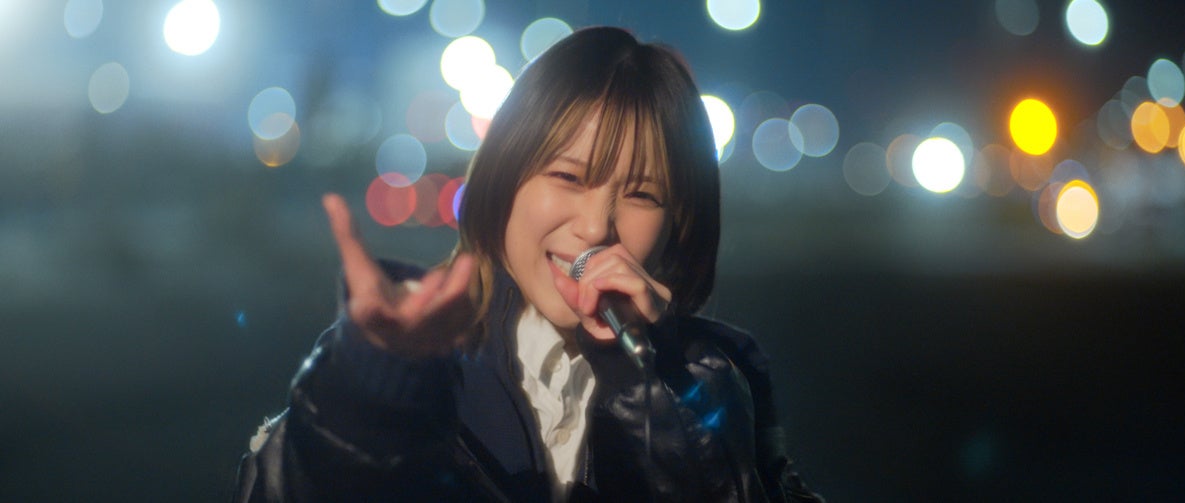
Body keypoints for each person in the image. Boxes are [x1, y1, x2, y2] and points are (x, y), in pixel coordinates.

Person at [233, 26, 822, 502]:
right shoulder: (401, 357)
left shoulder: (717, 380)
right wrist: (374, 391)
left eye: (643, 194)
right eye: (568, 176)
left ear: (681, 222)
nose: (596, 226)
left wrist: (653, 386)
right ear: (505, 177)